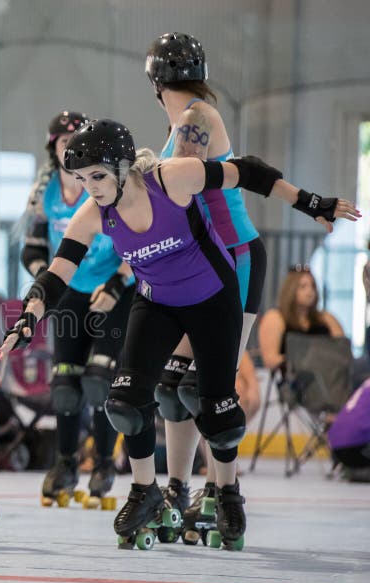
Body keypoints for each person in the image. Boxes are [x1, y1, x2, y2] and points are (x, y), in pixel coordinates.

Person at [0, 118, 358, 550]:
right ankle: (144, 492)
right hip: (157, 304)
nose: (90, 187)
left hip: (213, 299)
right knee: (125, 403)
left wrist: (310, 202)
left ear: (122, 167)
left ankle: (226, 492)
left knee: (218, 412)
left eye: (97, 176)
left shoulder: (171, 178)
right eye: (81, 179)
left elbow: (247, 172)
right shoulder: (92, 215)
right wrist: (28, 315)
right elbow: (57, 275)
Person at [144, 32, 343, 532]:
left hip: (235, 259)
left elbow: (227, 179)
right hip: (202, 263)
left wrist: (309, 202)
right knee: (172, 385)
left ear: (153, 80)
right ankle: (178, 487)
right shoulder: (180, 126)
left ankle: (219, 491)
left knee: (205, 385)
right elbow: (245, 171)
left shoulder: (195, 118)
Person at [21, 111, 133, 509]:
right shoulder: (46, 188)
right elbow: (33, 248)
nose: (69, 148)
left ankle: (103, 463)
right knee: (66, 385)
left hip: (113, 290)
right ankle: (65, 464)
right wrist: (42, 280)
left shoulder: (103, 183)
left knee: (100, 382)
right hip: (68, 292)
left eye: (76, 141)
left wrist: (119, 282)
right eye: (63, 142)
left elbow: (140, 237)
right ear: (52, 147)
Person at [258, 267, 344, 373]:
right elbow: (270, 360)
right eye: (303, 287)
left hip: (327, 378)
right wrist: (306, 361)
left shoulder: (326, 318)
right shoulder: (275, 318)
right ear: (291, 289)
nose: (310, 292)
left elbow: (343, 351)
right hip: (292, 381)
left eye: (313, 286)